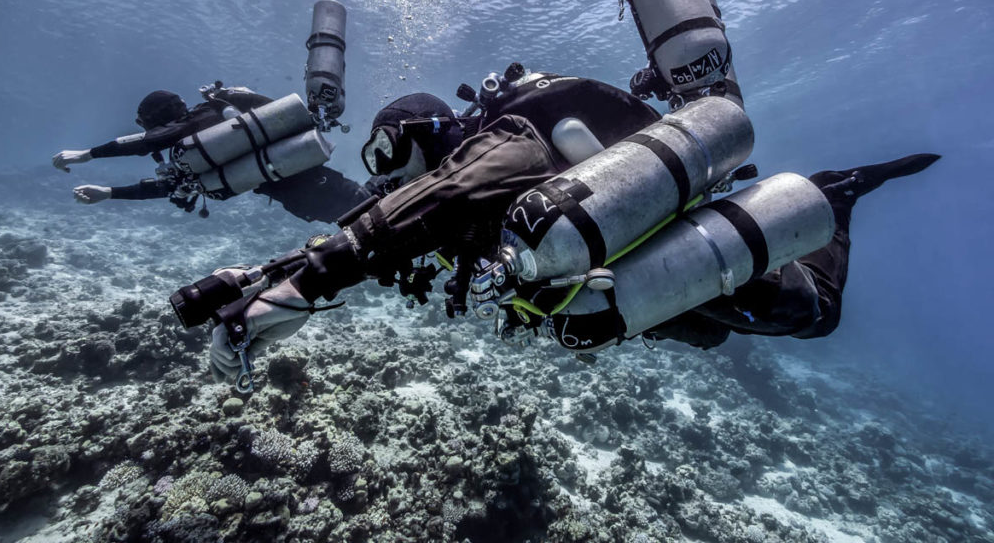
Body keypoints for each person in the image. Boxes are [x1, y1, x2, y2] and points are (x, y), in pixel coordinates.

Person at [201, 65, 939, 382]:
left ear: (429, 131)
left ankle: (834, 196)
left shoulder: (508, 139)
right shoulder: (456, 181)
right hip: (620, 271)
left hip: (649, 243)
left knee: (813, 312)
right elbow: (391, 225)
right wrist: (269, 275)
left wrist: (304, 287)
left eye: (393, 155)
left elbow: (445, 201)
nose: (392, 177)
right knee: (715, 327)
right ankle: (807, 197)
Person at [53, 86, 369, 224]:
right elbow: (172, 185)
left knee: (377, 215)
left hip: (307, 193)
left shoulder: (198, 126)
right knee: (371, 210)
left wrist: (88, 156)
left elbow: (146, 145)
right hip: (313, 184)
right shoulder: (207, 130)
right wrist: (108, 193)